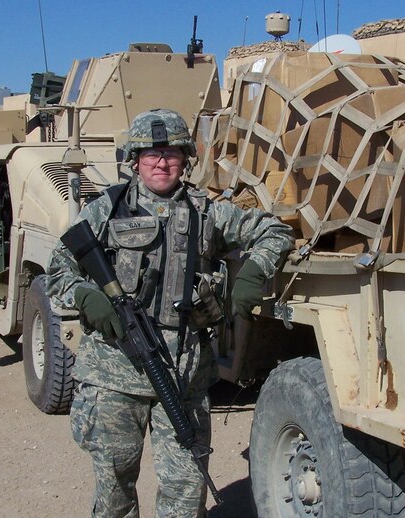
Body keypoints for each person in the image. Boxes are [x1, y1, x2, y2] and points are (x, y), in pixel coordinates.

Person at [46, 108, 294, 518]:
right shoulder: (106, 210)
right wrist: (86, 296)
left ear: (185, 160)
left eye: (171, 154)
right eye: (151, 154)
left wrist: (254, 272)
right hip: (114, 376)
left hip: (184, 379)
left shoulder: (207, 212)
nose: (161, 163)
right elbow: (58, 269)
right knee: (114, 492)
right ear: (135, 160)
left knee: (186, 491)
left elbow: (275, 231)